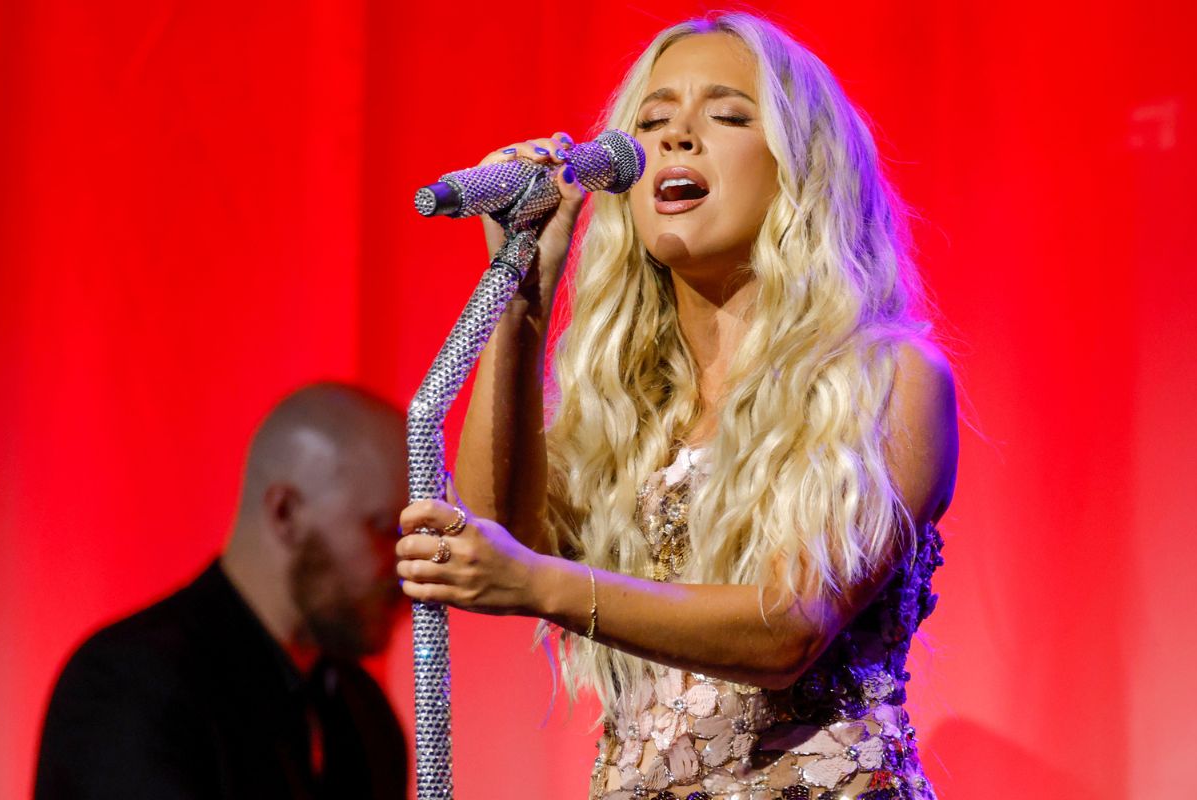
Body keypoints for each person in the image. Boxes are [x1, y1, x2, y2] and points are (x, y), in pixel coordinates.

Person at [394, 13, 957, 799]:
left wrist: (541, 584)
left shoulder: (885, 378)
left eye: (727, 115)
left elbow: (790, 629)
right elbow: (501, 537)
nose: (676, 138)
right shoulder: (629, 406)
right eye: (652, 122)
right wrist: (524, 289)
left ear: (804, 168)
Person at [34, 383, 410, 800]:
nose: (408, 568)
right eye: (386, 530)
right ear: (285, 513)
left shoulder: (363, 713)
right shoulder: (131, 686)